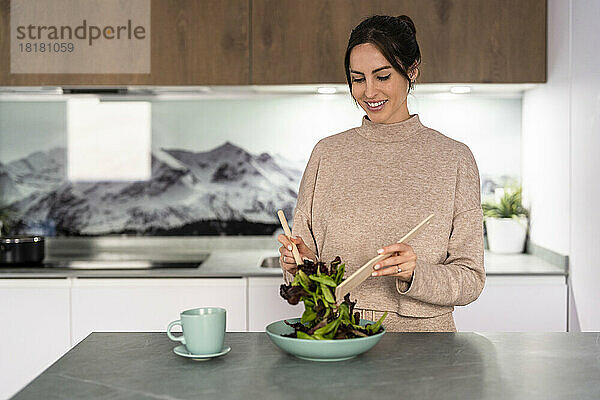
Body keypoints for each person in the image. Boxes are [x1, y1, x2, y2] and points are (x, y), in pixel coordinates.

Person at [277, 15, 485, 332]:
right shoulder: (327, 154)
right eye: (358, 79)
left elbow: (471, 279)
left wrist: (416, 273)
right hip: (337, 340)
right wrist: (300, 264)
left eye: (383, 76)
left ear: (412, 70)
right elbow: (306, 280)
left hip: (422, 350)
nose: (369, 92)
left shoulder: (455, 158)